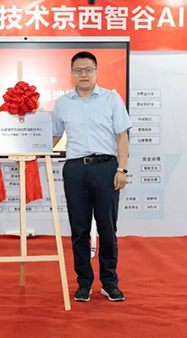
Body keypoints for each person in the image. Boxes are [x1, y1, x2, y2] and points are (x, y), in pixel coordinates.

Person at [52, 51, 132, 302]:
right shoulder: (63, 103)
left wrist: (122, 169)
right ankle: (84, 283)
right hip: (75, 170)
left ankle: (110, 282)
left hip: (106, 168)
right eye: (78, 70)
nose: (83, 74)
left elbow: (122, 136)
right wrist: (26, 148)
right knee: (79, 229)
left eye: (88, 69)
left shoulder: (111, 99)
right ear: (71, 74)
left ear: (96, 72)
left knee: (107, 228)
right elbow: (53, 137)